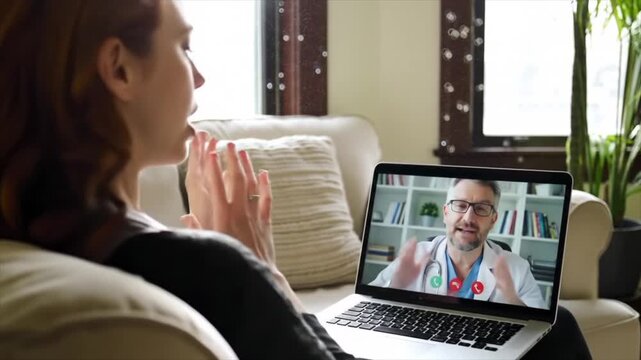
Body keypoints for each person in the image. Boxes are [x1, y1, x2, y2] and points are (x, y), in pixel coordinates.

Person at [0, 1, 590, 359]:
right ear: (119, 68)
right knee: (554, 330)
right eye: (183, 46)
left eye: (479, 210)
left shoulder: (33, 232)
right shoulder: (210, 269)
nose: (200, 77)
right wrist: (263, 270)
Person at [370, 179, 546, 308]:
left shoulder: (518, 269)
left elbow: (539, 329)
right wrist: (395, 287)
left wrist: (513, 302)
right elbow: (370, 304)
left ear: (493, 220)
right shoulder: (414, 257)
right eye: (461, 205)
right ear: (446, 213)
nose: (469, 218)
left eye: (481, 208)